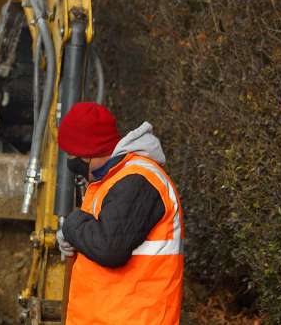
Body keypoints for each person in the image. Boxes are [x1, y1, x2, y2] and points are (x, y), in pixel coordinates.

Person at [55, 102, 184, 325]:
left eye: (71, 154)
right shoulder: (110, 180)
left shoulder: (139, 180)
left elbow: (109, 248)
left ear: (88, 153)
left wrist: (72, 225)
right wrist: (74, 238)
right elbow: (101, 234)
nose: (70, 161)